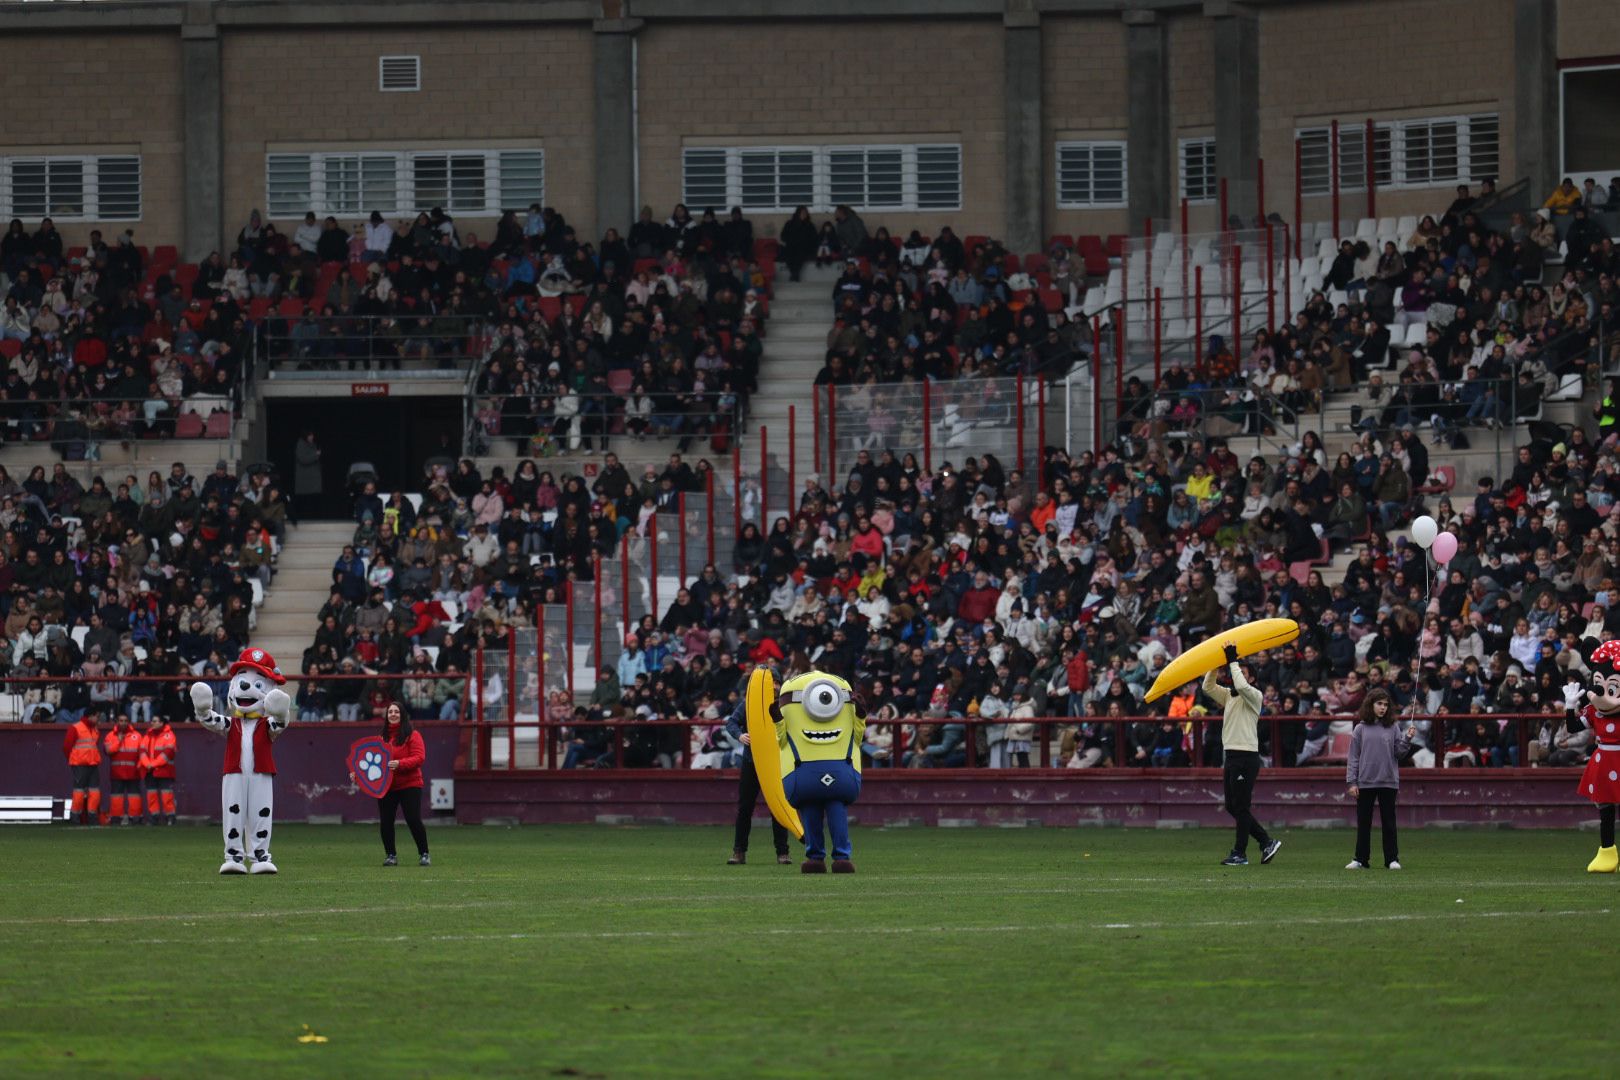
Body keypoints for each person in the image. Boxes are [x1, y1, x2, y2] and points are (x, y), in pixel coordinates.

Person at [1203, 642, 1282, 867]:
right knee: (1232, 806)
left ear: (1253, 679)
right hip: (1232, 756)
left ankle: (1240, 853)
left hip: (1246, 757)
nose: (1237, 674)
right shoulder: (1230, 696)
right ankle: (1266, 841)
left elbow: (1240, 682)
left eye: (1244, 673)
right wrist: (1214, 666)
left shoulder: (1254, 695)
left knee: (1241, 806)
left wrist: (1233, 660)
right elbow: (1207, 688)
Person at [721, 667, 792, 866]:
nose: (774, 687)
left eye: (776, 683)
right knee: (745, 808)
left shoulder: (786, 704)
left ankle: (783, 852)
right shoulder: (748, 704)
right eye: (772, 683)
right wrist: (740, 735)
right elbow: (731, 723)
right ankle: (739, 851)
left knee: (778, 808)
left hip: (777, 762)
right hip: (751, 762)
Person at [351, 703, 431, 867]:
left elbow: (419, 758)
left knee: (413, 819)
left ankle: (424, 854)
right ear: (386, 716)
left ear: (402, 715)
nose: (393, 714)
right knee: (386, 821)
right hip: (387, 786)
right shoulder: (381, 739)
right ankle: (391, 856)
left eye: (396, 712)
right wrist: (357, 775)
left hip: (410, 784)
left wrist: (399, 764)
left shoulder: (413, 735)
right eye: (390, 712)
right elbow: (373, 767)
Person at [1345, 688, 1412, 870]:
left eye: (1385, 705)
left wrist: (1407, 739)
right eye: (1379, 704)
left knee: (1389, 822)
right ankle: (1360, 859)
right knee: (1363, 823)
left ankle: (1392, 859)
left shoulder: (1393, 727)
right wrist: (1352, 782)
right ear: (1370, 704)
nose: (1383, 708)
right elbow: (1353, 757)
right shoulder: (1360, 729)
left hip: (1388, 781)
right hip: (1365, 782)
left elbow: (1399, 753)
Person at [103, 712, 147, 825]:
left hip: (133, 772)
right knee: (116, 797)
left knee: (135, 797)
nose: (123, 723)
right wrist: (119, 740)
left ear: (128, 722)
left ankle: (136, 818)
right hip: (117, 773)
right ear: (117, 722)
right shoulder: (110, 736)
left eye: (125, 721)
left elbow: (142, 753)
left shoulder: (137, 736)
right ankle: (116, 818)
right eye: (121, 721)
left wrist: (140, 767)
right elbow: (108, 751)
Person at [62, 707, 104, 826]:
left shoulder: (95, 729)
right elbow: (66, 747)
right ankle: (75, 816)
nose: (98, 719)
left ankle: (92, 816)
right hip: (80, 765)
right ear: (90, 716)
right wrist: (74, 760)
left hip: (92, 764)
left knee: (94, 792)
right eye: (97, 716)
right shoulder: (75, 728)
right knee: (79, 792)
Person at [140, 711, 179, 825]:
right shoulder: (148, 735)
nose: (152, 723)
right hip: (150, 770)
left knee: (167, 796)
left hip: (164, 771)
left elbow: (167, 753)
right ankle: (154, 817)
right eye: (152, 721)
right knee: (151, 796)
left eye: (155, 721)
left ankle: (170, 817)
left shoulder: (169, 735)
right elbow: (142, 751)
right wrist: (148, 764)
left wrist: (152, 764)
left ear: (162, 723)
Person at [294, 431, 322, 522]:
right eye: (310, 435)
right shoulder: (301, 444)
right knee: (305, 502)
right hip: (305, 480)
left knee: (313, 502)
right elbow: (303, 459)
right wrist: (316, 455)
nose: (312, 437)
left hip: (313, 481)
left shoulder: (312, 444)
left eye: (312, 435)